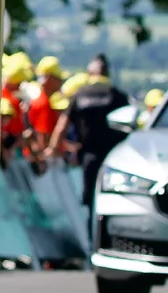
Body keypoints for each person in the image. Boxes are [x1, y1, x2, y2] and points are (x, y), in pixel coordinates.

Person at [48, 54, 129, 218]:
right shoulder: (118, 96)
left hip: (88, 155)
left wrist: (53, 149)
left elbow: (62, 124)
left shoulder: (80, 95)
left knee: (90, 199)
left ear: (90, 74)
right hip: (113, 157)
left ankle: (91, 227)